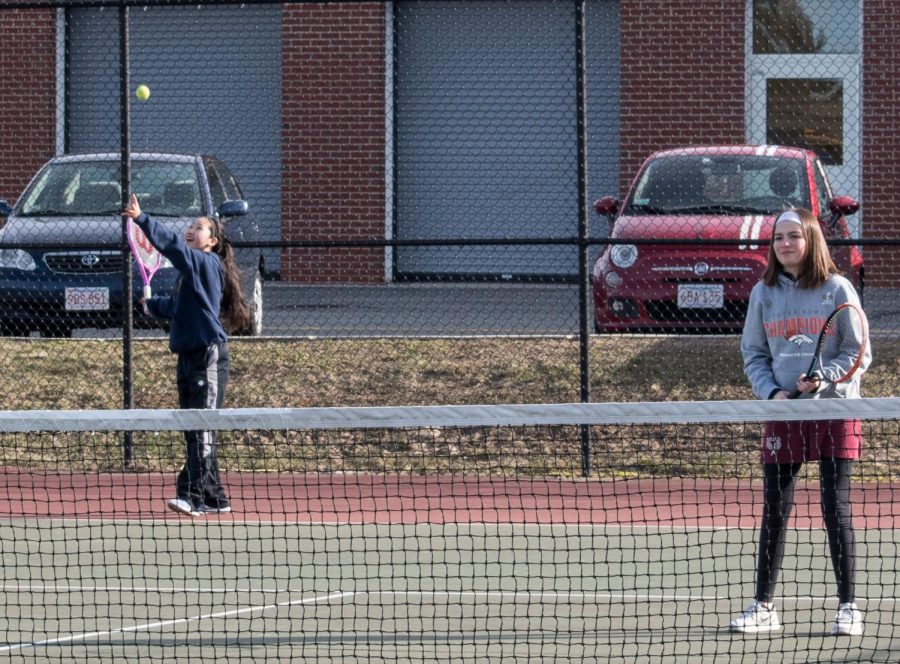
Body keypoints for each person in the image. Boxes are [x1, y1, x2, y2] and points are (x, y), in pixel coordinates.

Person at [732, 208, 871, 636]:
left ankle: (848, 607)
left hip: (833, 411)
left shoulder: (837, 289)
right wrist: (772, 394)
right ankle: (763, 606)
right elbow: (754, 354)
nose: (785, 244)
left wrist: (824, 377)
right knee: (775, 509)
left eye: (794, 236)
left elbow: (858, 352)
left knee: (835, 507)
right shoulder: (763, 293)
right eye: (778, 238)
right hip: (784, 413)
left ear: (811, 240)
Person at [123, 194, 250, 516]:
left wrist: (142, 219)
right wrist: (152, 306)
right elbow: (180, 309)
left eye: (199, 227)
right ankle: (214, 496)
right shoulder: (190, 274)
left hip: (208, 356)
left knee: (202, 427)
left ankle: (191, 496)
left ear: (212, 241)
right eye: (190, 226)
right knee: (196, 429)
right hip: (188, 355)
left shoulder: (206, 263)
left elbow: (173, 248)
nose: (190, 230)